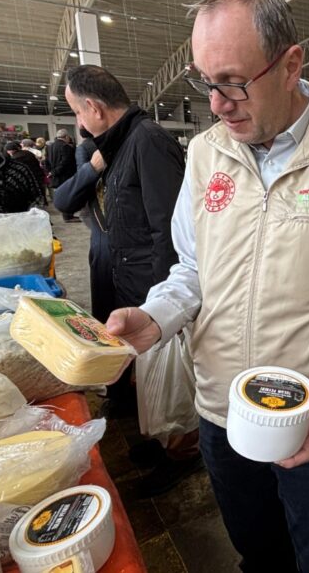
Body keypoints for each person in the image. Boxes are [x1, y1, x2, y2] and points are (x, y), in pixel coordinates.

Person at [104, 0, 309, 572]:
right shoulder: (205, 154)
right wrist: (155, 316)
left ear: (291, 63)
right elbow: (193, 268)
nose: (218, 104)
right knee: (256, 553)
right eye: (206, 82)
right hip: (220, 408)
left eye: (233, 81)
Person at [52, 64, 191, 497]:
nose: (77, 122)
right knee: (149, 383)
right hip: (128, 280)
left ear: (93, 106)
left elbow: (168, 228)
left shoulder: (146, 140)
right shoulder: (115, 146)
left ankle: (182, 452)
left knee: (171, 382)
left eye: (77, 111)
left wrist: (164, 300)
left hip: (154, 289)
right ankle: (160, 439)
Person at [45, 130, 78, 221]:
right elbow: (65, 163)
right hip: (65, 176)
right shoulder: (66, 147)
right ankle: (68, 216)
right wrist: (54, 172)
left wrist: (50, 172)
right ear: (66, 137)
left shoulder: (49, 147)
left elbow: (46, 161)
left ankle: (67, 216)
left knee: (61, 195)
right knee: (68, 196)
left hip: (56, 176)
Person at [4, 141, 48, 206]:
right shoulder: (28, 153)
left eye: (8, 151)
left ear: (10, 151)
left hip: (29, 178)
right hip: (38, 175)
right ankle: (42, 202)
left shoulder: (15, 158)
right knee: (40, 191)